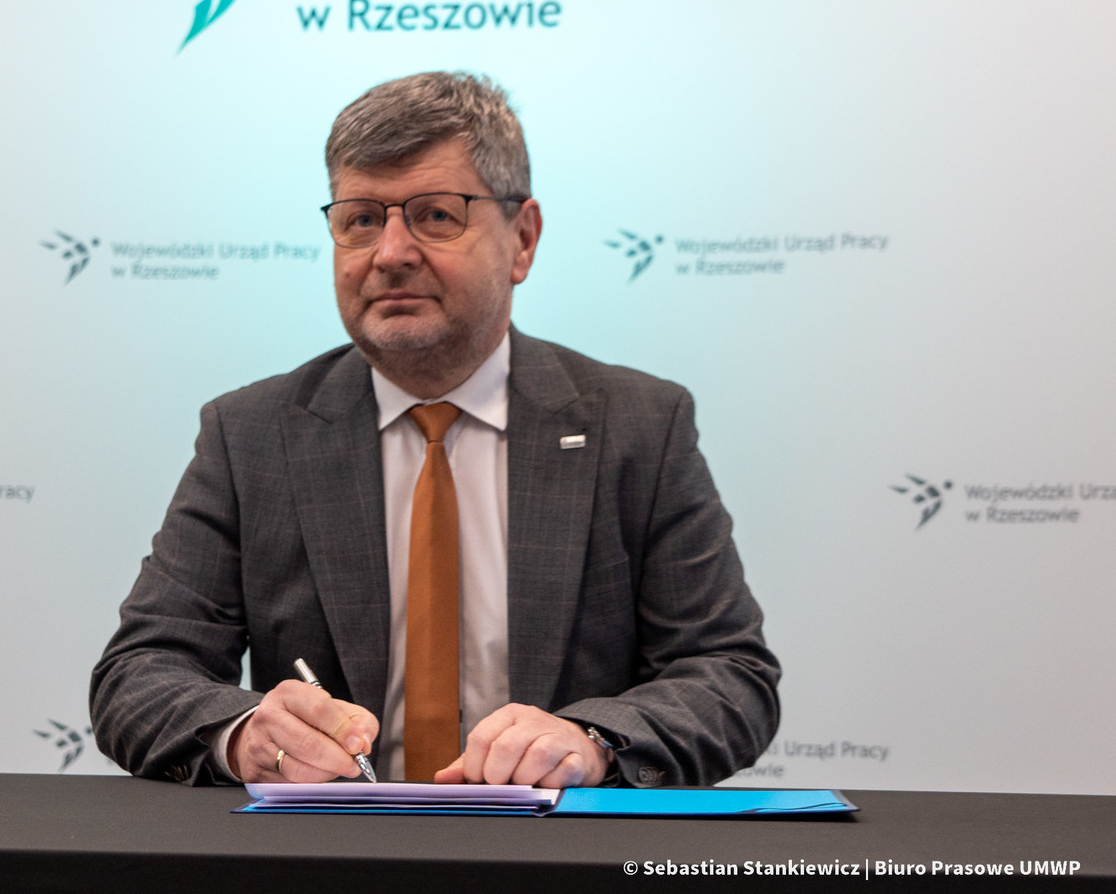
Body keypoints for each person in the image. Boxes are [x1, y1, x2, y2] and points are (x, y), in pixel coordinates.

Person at [90, 71, 780, 788]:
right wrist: (244, 737)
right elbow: (138, 674)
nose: (391, 253)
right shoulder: (252, 435)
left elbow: (730, 677)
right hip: (328, 845)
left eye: (436, 215)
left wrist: (593, 741)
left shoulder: (638, 427)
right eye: (362, 219)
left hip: (557, 846)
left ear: (523, 239)